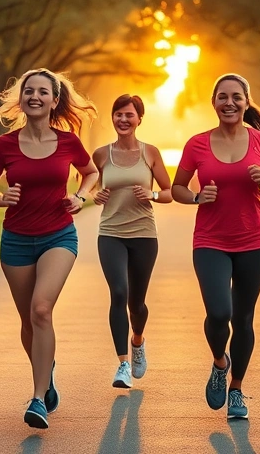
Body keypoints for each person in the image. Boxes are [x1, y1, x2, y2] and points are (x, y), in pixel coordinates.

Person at [0, 69, 98, 429]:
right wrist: (1, 199)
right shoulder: (4, 145)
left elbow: (90, 173)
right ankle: (48, 371)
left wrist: (80, 196)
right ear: (22, 98)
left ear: (54, 100)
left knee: (41, 309)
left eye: (43, 92)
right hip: (15, 239)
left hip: (58, 236)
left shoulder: (68, 142)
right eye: (29, 91)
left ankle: (38, 398)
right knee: (29, 319)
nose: (35, 97)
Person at [171, 73, 260, 420]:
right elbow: (177, 189)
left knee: (243, 318)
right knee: (219, 313)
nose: (229, 103)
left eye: (236, 97)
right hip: (210, 241)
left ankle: (236, 389)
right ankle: (219, 362)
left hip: (253, 241)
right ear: (214, 103)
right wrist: (197, 196)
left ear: (246, 101)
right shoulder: (197, 144)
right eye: (223, 97)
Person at [91, 94, 172, 389]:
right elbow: (88, 186)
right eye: (118, 114)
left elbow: (168, 191)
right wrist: (94, 195)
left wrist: (151, 195)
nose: (122, 120)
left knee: (136, 304)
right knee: (119, 293)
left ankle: (137, 340)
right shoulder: (101, 155)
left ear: (139, 119)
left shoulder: (150, 153)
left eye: (129, 115)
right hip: (110, 233)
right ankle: (123, 363)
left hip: (144, 235)